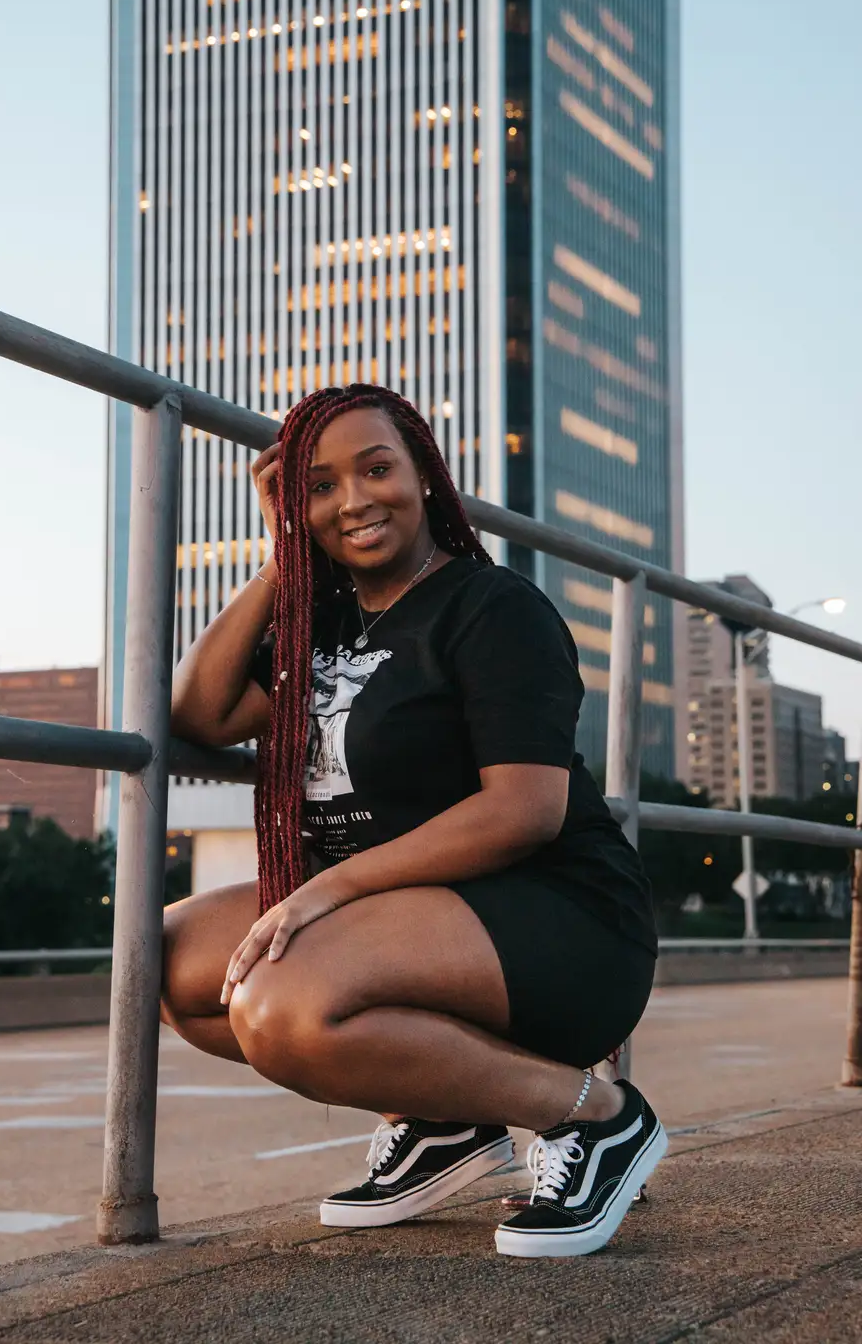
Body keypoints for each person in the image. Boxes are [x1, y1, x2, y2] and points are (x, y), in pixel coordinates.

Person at [163, 382, 665, 1258]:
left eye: (376, 469)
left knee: (282, 1007)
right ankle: (439, 1118)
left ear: (424, 476)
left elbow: (525, 811)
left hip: (554, 918)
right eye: (319, 486)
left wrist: (324, 892)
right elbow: (198, 713)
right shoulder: (321, 622)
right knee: (164, 964)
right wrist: (285, 555)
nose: (354, 499)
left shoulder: (492, 607)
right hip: (401, 921)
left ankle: (597, 1117)